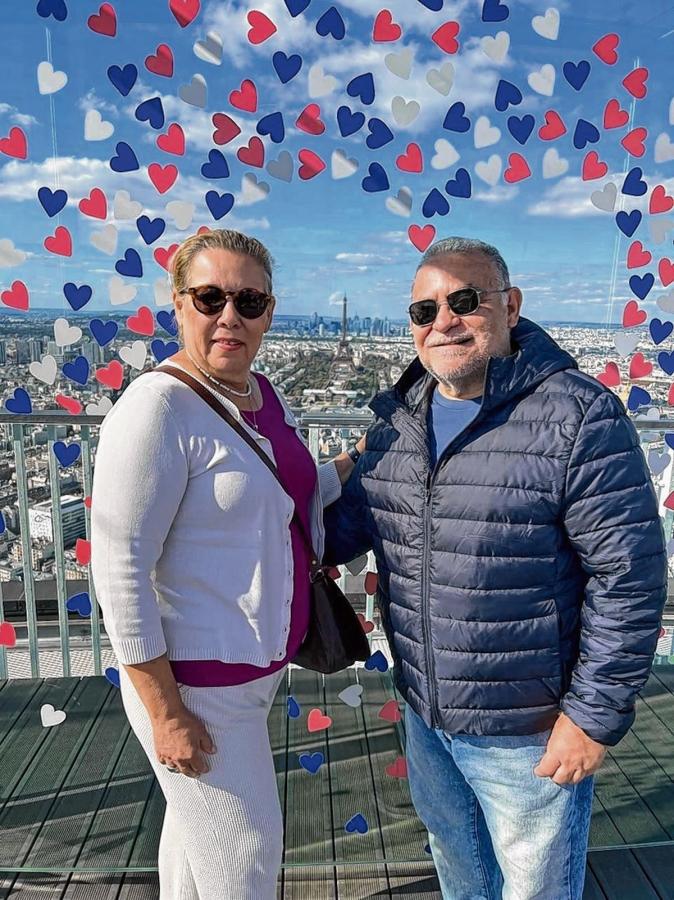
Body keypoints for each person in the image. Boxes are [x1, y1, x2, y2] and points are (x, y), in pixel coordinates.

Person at [324, 236, 667, 900]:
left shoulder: (576, 415)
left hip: (528, 726)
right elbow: (343, 531)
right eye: (424, 310)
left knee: (534, 888)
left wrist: (591, 717)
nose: (443, 321)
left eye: (464, 300)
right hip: (426, 712)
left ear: (510, 306)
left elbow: (629, 579)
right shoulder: (399, 424)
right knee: (461, 872)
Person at [91, 229, 359, 900]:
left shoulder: (262, 394)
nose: (230, 316)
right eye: (210, 298)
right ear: (178, 305)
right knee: (245, 863)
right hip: (194, 688)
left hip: (253, 671)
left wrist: (357, 460)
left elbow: (286, 496)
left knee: (195, 847)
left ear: (270, 312)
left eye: (250, 301)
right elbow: (120, 570)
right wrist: (166, 713)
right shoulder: (156, 408)